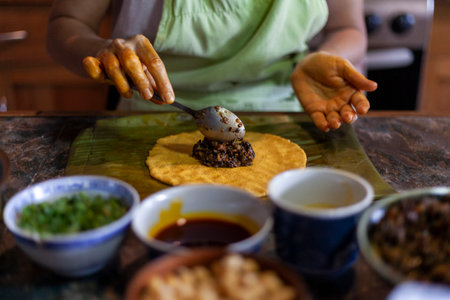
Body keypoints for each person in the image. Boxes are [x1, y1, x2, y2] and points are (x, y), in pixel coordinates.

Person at [46, 0, 377, 132]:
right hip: (147, 116)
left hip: (291, 113)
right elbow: (66, 23)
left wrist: (318, 58)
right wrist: (104, 51)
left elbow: (347, 29)